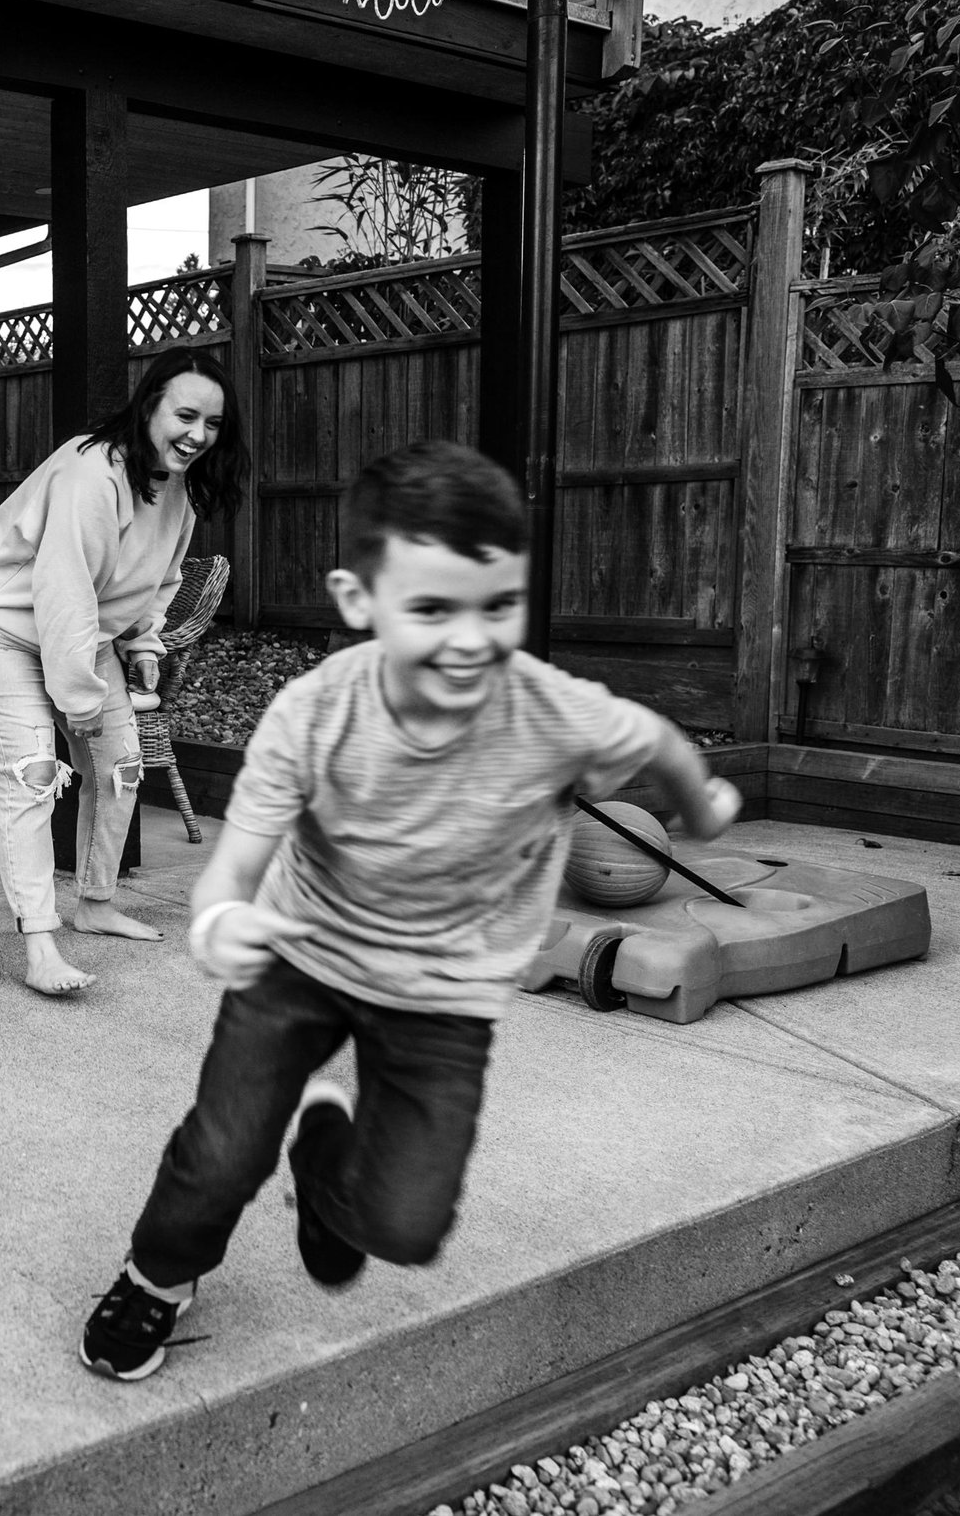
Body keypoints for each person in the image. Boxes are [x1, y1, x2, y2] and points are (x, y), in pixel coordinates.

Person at [78, 440, 741, 1381]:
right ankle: (159, 1275)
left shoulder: (548, 711)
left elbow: (655, 736)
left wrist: (702, 798)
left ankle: (325, 1165)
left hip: (442, 990)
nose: (471, 639)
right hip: (301, 959)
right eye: (432, 609)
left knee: (406, 1226)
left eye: (498, 607)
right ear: (362, 602)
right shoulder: (315, 714)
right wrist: (221, 918)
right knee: (222, 1150)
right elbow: (232, 866)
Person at [0, 346, 249, 997]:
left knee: (120, 765)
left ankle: (96, 901)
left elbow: (158, 577)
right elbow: (65, 593)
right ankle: (39, 943)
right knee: (31, 774)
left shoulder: (179, 489)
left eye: (213, 424)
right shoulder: (92, 475)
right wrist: (79, 696)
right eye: (186, 415)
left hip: (79, 636)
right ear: (151, 407)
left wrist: (144, 642)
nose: (197, 435)